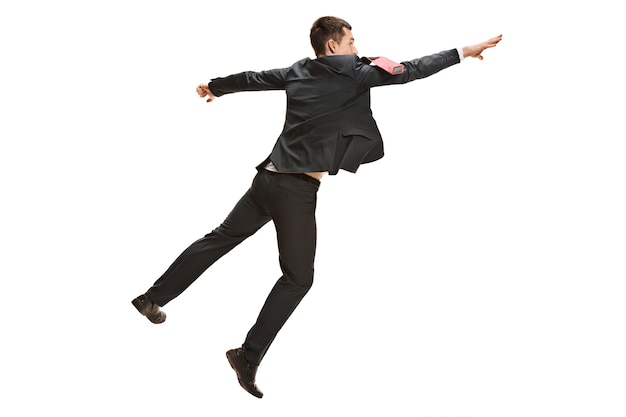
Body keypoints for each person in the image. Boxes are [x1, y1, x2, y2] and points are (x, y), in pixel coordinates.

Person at [132, 16, 502, 398]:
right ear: (332, 46)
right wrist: (462, 52)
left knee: (219, 239)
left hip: (266, 179)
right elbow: (413, 71)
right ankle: (247, 355)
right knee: (298, 279)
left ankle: (152, 298)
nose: (357, 48)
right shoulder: (356, 74)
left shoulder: (298, 70)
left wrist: (215, 87)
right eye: (352, 41)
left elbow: (253, 78)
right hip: (295, 191)